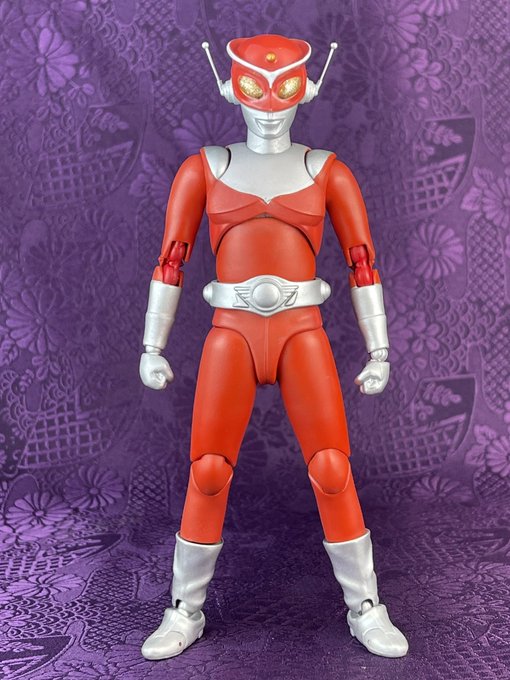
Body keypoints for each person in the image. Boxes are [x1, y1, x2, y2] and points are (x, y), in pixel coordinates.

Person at [139, 33, 408, 660]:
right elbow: (171, 260)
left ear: (306, 89)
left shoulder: (327, 170)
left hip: (300, 332)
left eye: (283, 88)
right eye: (254, 89)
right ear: (230, 87)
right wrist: (152, 345)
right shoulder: (204, 168)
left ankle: (366, 606)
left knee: (331, 468)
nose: (268, 106)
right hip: (231, 333)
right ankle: (184, 609)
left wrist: (380, 352)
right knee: (209, 471)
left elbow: (362, 262)